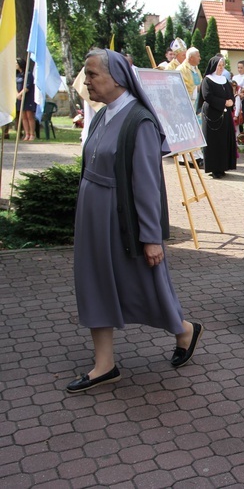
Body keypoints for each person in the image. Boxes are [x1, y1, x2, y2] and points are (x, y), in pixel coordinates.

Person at [67, 49, 203, 393]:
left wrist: (152, 237)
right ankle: (105, 364)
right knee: (93, 281)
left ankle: (184, 330)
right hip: (94, 218)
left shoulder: (138, 120)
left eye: (92, 74)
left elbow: (146, 184)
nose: (87, 81)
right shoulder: (101, 115)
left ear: (117, 78)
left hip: (122, 218)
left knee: (146, 280)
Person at [198, 56, 237, 179]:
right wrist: (224, 103)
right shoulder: (207, 80)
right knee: (214, 142)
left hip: (224, 116)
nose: (221, 68)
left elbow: (231, 94)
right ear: (214, 66)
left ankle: (223, 166)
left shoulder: (224, 81)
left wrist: (231, 101)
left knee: (223, 141)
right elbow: (207, 96)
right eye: (219, 65)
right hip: (212, 116)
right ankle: (214, 168)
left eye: (222, 66)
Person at [16, 58, 36, 141]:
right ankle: (26, 134)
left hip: (28, 98)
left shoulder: (28, 74)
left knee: (29, 116)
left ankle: (32, 134)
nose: (15, 65)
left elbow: (28, 86)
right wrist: (17, 94)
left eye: (16, 63)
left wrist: (21, 94)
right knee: (23, 117)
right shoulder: (17, 74)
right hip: (19, 98)